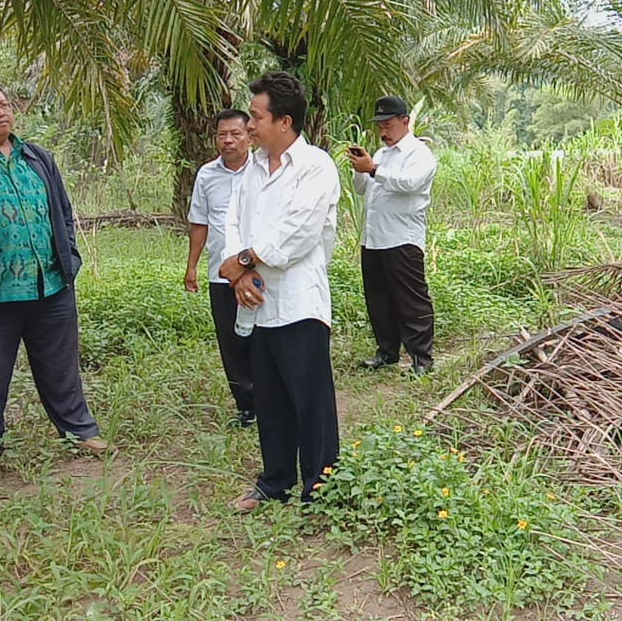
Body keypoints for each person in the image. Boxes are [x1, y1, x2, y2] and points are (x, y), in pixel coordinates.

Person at [0, 80, 107, 456]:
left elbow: (63, 213)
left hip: (50, 283)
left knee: (61, 367)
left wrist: (68, 255)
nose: (2, 112)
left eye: (4, 104)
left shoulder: (37, 156)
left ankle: (79, 431)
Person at [219, 71, 340, 512]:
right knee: (270, 400)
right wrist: (237, 272)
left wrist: (247, 261)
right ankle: (275, 481)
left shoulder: (316, 167)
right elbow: (233, 220)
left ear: (284, 122)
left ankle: (320, 487)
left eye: (255, 117)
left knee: (310, 402)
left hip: (298, 302)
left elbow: (299, 234)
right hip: (256, 301)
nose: (249, 126)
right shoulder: (251, 168)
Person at [346, 95, 437, 375]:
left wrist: (372, 169)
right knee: (378, 299)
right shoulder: (381, 154)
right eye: (379, 126)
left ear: (405, 121)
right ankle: (387, 353)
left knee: (411, 300)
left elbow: (409, 184)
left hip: (402, 238)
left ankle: (422, 359)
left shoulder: (419, 154)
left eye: (388, 125)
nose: (383, 132)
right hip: (373, 238)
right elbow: (363, 190)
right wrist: (361, 169)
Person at [185, 109, 257, 427]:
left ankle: (271, 401)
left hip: (257, 272)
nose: (227, 141)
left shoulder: (264, 170)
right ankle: (247, 406)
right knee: (230, 342)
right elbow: (199, 223)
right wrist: (191, 267)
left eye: (235, 134)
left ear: (250, 136)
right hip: (220, 273)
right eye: (221, 134)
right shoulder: (207, 175)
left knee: (260, 337)